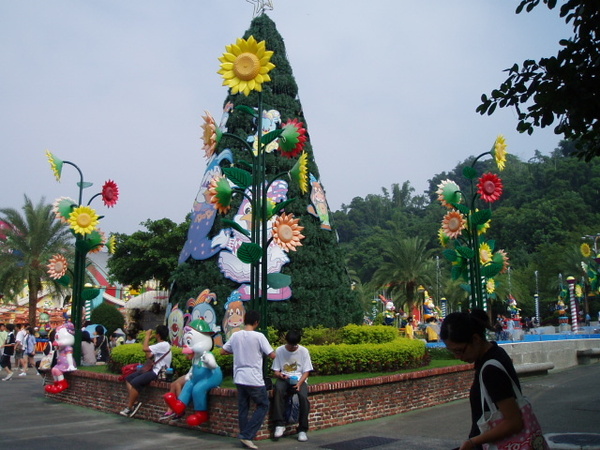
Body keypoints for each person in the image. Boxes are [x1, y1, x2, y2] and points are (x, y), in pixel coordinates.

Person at [440, 310, 526, 450]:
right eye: (453, 351)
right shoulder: (495, 353)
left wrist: (473, 442)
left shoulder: (491, 370)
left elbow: (514, 422)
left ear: (475, 339)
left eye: (459, 350)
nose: (458, 356)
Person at [221, 310, 275, 450]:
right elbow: (272, 354)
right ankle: (247, 435)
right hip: (254, 378)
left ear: (244, 320)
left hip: (239, 377)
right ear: (257, 322)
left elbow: (223, 351)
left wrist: (237, 351)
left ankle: (244, 436)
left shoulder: (235, 336)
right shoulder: (259, 336)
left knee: (243, 408)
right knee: (263, 405)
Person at [120, 325, 172, 418]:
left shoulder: (163, 345)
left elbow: (144, 348)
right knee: (128, 378)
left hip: (157, 372)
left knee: (135, 382)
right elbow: (148, 356)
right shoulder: (161, 345)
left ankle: (129, 407)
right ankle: (135, 402)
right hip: (152, 369)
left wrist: (147, 336)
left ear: (158, 335)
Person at [272, 330, 313, 442]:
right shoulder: (280, 350)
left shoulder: (303, 351)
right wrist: (280, 375)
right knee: (278, 390)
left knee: (303, 397)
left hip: (299, 379)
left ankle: (302, 429)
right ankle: (279, 424)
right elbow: (275, 370)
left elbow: (306, 371)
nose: (291, 348)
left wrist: (299, 383)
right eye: (290, 345)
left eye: (294, 345)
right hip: (284, 378)